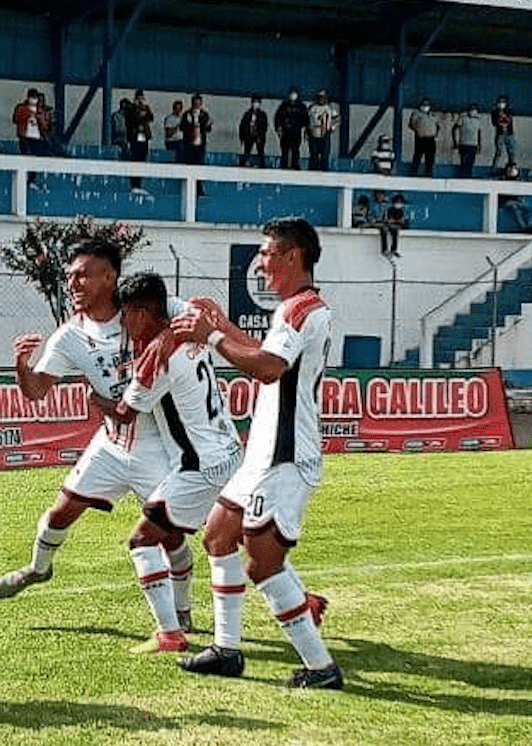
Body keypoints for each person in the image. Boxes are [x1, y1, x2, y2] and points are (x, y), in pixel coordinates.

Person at [0, 241, 193, 643]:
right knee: (61, 511)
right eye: (70, 276)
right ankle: (38, 568)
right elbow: (36, 391)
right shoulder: (69, 336)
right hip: (112, 443)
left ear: (109, 277)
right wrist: (21, 366)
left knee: (169, 535)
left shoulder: (146, 307)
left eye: (83, 274)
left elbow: (197, 319)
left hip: (158, 445)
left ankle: (182, 611)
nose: (73, 282)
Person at [171, 216, 339, 689]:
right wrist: (220, 325)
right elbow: (267, 357)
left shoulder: (299, 311)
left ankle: (321, 668)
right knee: (219, 535)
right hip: (263, 455)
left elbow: (266, 368)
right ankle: (227, 650)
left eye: (267, 253)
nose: (260, 262)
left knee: (262, 564)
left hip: (285, 459)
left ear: (292, 256)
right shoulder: (296, 308)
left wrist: (212, 336)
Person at [104, 272, 243, 654]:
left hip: (202, 467)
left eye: (128, 314)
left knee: (142, 540)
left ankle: (170, 634)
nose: (124, 323)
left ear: (145, 312)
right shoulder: (186, 331)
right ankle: (302, 601)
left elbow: (125, 413)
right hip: (230, 452)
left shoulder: (158, 357)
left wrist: (95, 398)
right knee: (245, 540)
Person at [13, 89, 47, 186]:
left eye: (35, 97)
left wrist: (39, 116)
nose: (34, 100)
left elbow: (45, 125)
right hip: (25, 136)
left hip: (36, 137)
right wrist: (27, 114)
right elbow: (15, 119)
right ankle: (23, 177)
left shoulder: (41, 110)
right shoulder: (21, 108)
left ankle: (32, 178)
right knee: (24, 156)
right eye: (32, 97)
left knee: (34, 158)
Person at [124, 89, 154, 193]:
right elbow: (130, 120)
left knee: (142, 160)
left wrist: (145, 107)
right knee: (134, 160)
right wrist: (137, 109)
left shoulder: (146, 108)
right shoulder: (131, 108)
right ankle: (134, 184)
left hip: (143, 138)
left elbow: (151, 117)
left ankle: (140, 183)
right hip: (134, 137)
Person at [275, 87, 308, 170]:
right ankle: (284, 165)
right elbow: (278, 118)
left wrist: (306, 130)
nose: (293, 96)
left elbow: (306, 120)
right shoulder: (284, 105)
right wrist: (278, 128)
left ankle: (295, 165)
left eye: (294, 94)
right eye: (291, 94)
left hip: (296, 131)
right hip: (285, 132)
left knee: (295, 150)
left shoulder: (301, 106)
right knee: (285, 150)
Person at [306, 90, 336, 171]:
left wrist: (332, 126)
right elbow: (307, 120)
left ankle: (324, 170)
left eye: (323, 98)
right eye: (319, 98)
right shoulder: (312, 108)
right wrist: (307, 131)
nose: (321, 100)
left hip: (325, 133)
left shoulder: (329, 108)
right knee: (313, 154)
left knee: (325, 155)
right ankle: (313, 170)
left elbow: (337, 119)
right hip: (313, 132)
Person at [407, 98, 438, 177]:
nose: (426, 107)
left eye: (427, 105)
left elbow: (437, 125)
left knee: (430, 159)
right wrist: (418, 131)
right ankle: (413, 174)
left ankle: (428, 174)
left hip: (431, 139)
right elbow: (411, 124)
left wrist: (436, 134)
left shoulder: (433, 115)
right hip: (421, 138)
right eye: (424, 105)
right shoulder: (416, 113)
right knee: (417, 157)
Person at [178, 93, 211, 166]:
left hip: (200, 144)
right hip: (189, 144)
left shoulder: (204, 115)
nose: (197, 106)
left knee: (200, 163)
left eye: (198, 104)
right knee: (189, 163)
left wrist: (203, 126)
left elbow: (208, 128)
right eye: (195, 103)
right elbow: (182, 127)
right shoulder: (187, 114)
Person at [454, 103, 483, 178]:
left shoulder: (478, 120)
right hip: (464, 143)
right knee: (463, 163)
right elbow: (454, 128)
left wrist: (479, 144)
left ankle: (468, 177)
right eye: (472, 110)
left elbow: (479, 133)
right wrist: (455, 141)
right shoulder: (463, 118)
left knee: (470, 163)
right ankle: (463, 177)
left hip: (473, 144)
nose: (473, 112)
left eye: (475, 110)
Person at [239, 95, 269, 168]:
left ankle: (261, 164)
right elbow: (243, 126)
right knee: (247, 150)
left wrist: (261, 135)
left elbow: (264, 126)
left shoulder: (262, 115)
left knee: (260, 150)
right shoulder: (248, 114)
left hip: (259, 136)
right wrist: (242, 137)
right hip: (249, 135)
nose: (256, 105)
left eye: (257, 103)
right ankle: (245, 163)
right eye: (254, 103)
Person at [491, 96, 516, 170]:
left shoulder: (508, 111)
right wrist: (500, 122)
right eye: (500, 103)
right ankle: (495, 167)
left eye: (503, 103)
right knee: (498, 151)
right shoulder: (495, 112)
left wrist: (505, 118)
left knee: (511, 151)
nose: (501, 104)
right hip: (500, 134)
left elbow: (509, 120)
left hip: (509, 133)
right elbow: (494, 122)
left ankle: (511, 166)